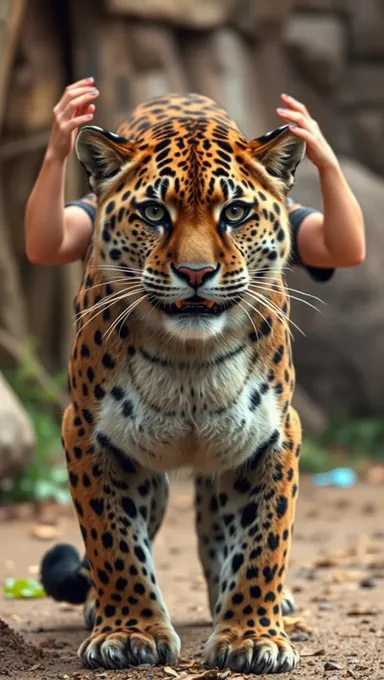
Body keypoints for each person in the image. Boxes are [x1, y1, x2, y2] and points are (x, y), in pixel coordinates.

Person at [24, 80, 365, 282]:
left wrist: (328, 165)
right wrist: (55, 157)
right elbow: (45, 247)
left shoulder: (256, 205)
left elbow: (344, 250)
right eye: (156, 212)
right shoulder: (119, 208)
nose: (196, 264)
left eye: (232, 213)